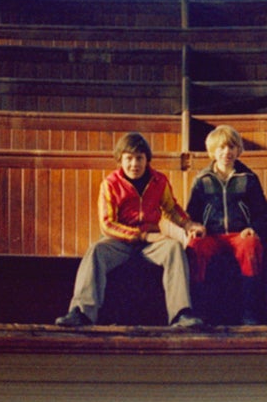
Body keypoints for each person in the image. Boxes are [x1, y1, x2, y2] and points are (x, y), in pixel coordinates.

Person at [55, 131, 199, 328]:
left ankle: (182, 313)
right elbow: (107, 225)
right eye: (129, 159)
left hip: (151, 244)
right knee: (96, 250)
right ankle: (81, 313)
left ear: (147, 159)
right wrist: (143, 235)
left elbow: (171, 209)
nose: (134, 164)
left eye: (139, 158)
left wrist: (189, 225)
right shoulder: (110, 184)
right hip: (120, 242)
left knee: (174, 248)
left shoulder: (159, 181)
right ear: (120, 160)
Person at [184, 125, 267, 326]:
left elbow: (262, 213)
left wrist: (253, 228)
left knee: (251, 246)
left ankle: (250, 312)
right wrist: (194, 227)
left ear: (238, 150)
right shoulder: (202, 179)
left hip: (239, 235)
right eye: (221, 148)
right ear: (212, 151)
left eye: (231, 147)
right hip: (211, 235)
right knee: (194, 247)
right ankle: (199, 310)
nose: (226, 153)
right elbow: (191, 215)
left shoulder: (248, 178)